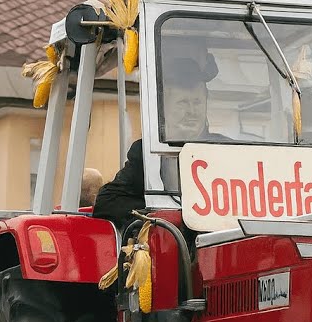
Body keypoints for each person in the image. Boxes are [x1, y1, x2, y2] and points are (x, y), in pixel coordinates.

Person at [92, 56, 228, 228]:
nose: (192, 111)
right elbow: (108, 203)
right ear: (165, 106)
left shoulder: (228, 151)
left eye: (197, 102)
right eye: (183, 103)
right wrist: (158, 219)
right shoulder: (148, 153)